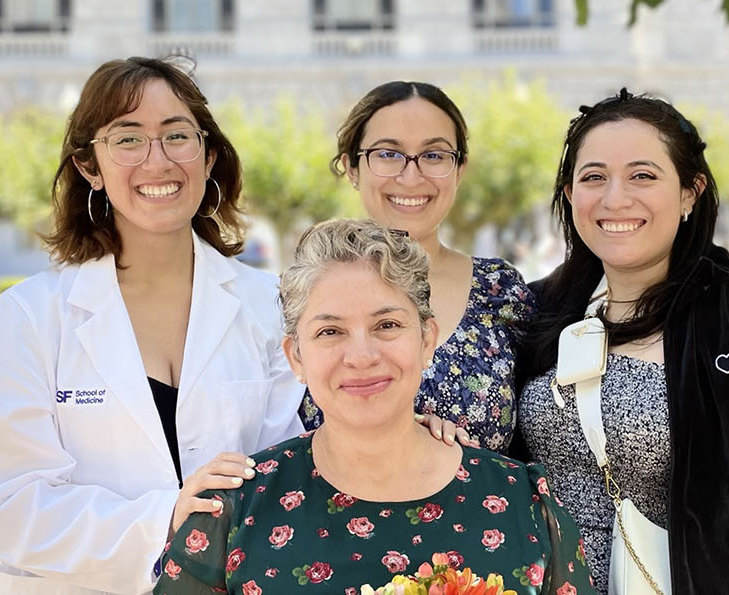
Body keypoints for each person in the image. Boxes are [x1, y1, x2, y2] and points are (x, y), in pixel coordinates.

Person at [0, 57, 306, 595]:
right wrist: (168, 517)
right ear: (89, 166)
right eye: (127, 139)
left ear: (209, 156)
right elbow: (4, 502)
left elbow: (296, 465)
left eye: (177, 136)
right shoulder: (31, 315)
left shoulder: (269, 304)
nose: (157, 160)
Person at [515, 90, 729, 592]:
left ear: (689, 193)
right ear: (570, 196)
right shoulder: (535, 312)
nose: (615, 199)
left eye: (643, 175)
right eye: (593, 178)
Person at [155, 219, 596, 595]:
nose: (362, 356)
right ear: (296, 358)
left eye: (387, 325)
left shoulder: (524, 504)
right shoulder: (231, 512)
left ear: (426, 340)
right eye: (330, 332)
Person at [300, 82, 535, 454]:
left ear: (459, 170)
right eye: (389, 154)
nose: (411, 176)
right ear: (352, 167)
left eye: (434, 155)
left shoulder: (501, 292)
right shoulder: (306, 294)